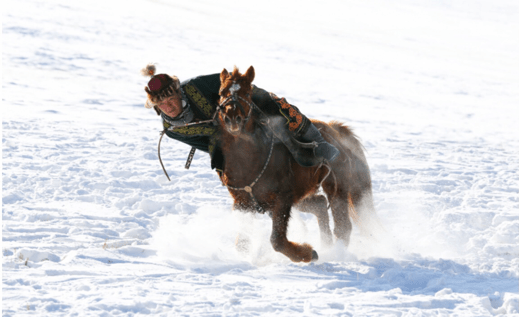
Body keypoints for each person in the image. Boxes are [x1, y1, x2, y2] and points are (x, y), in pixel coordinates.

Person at [141, 64, 339, 173]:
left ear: (178, 92)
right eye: (162, 104)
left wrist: (263, 108)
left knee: (282, 111)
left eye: (170, 99)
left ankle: (319, 143)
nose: (168, 107)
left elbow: (235, 85)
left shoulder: (197, 86)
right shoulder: (173, 130)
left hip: (247, 108)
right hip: (231, 137)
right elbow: (206, 143)